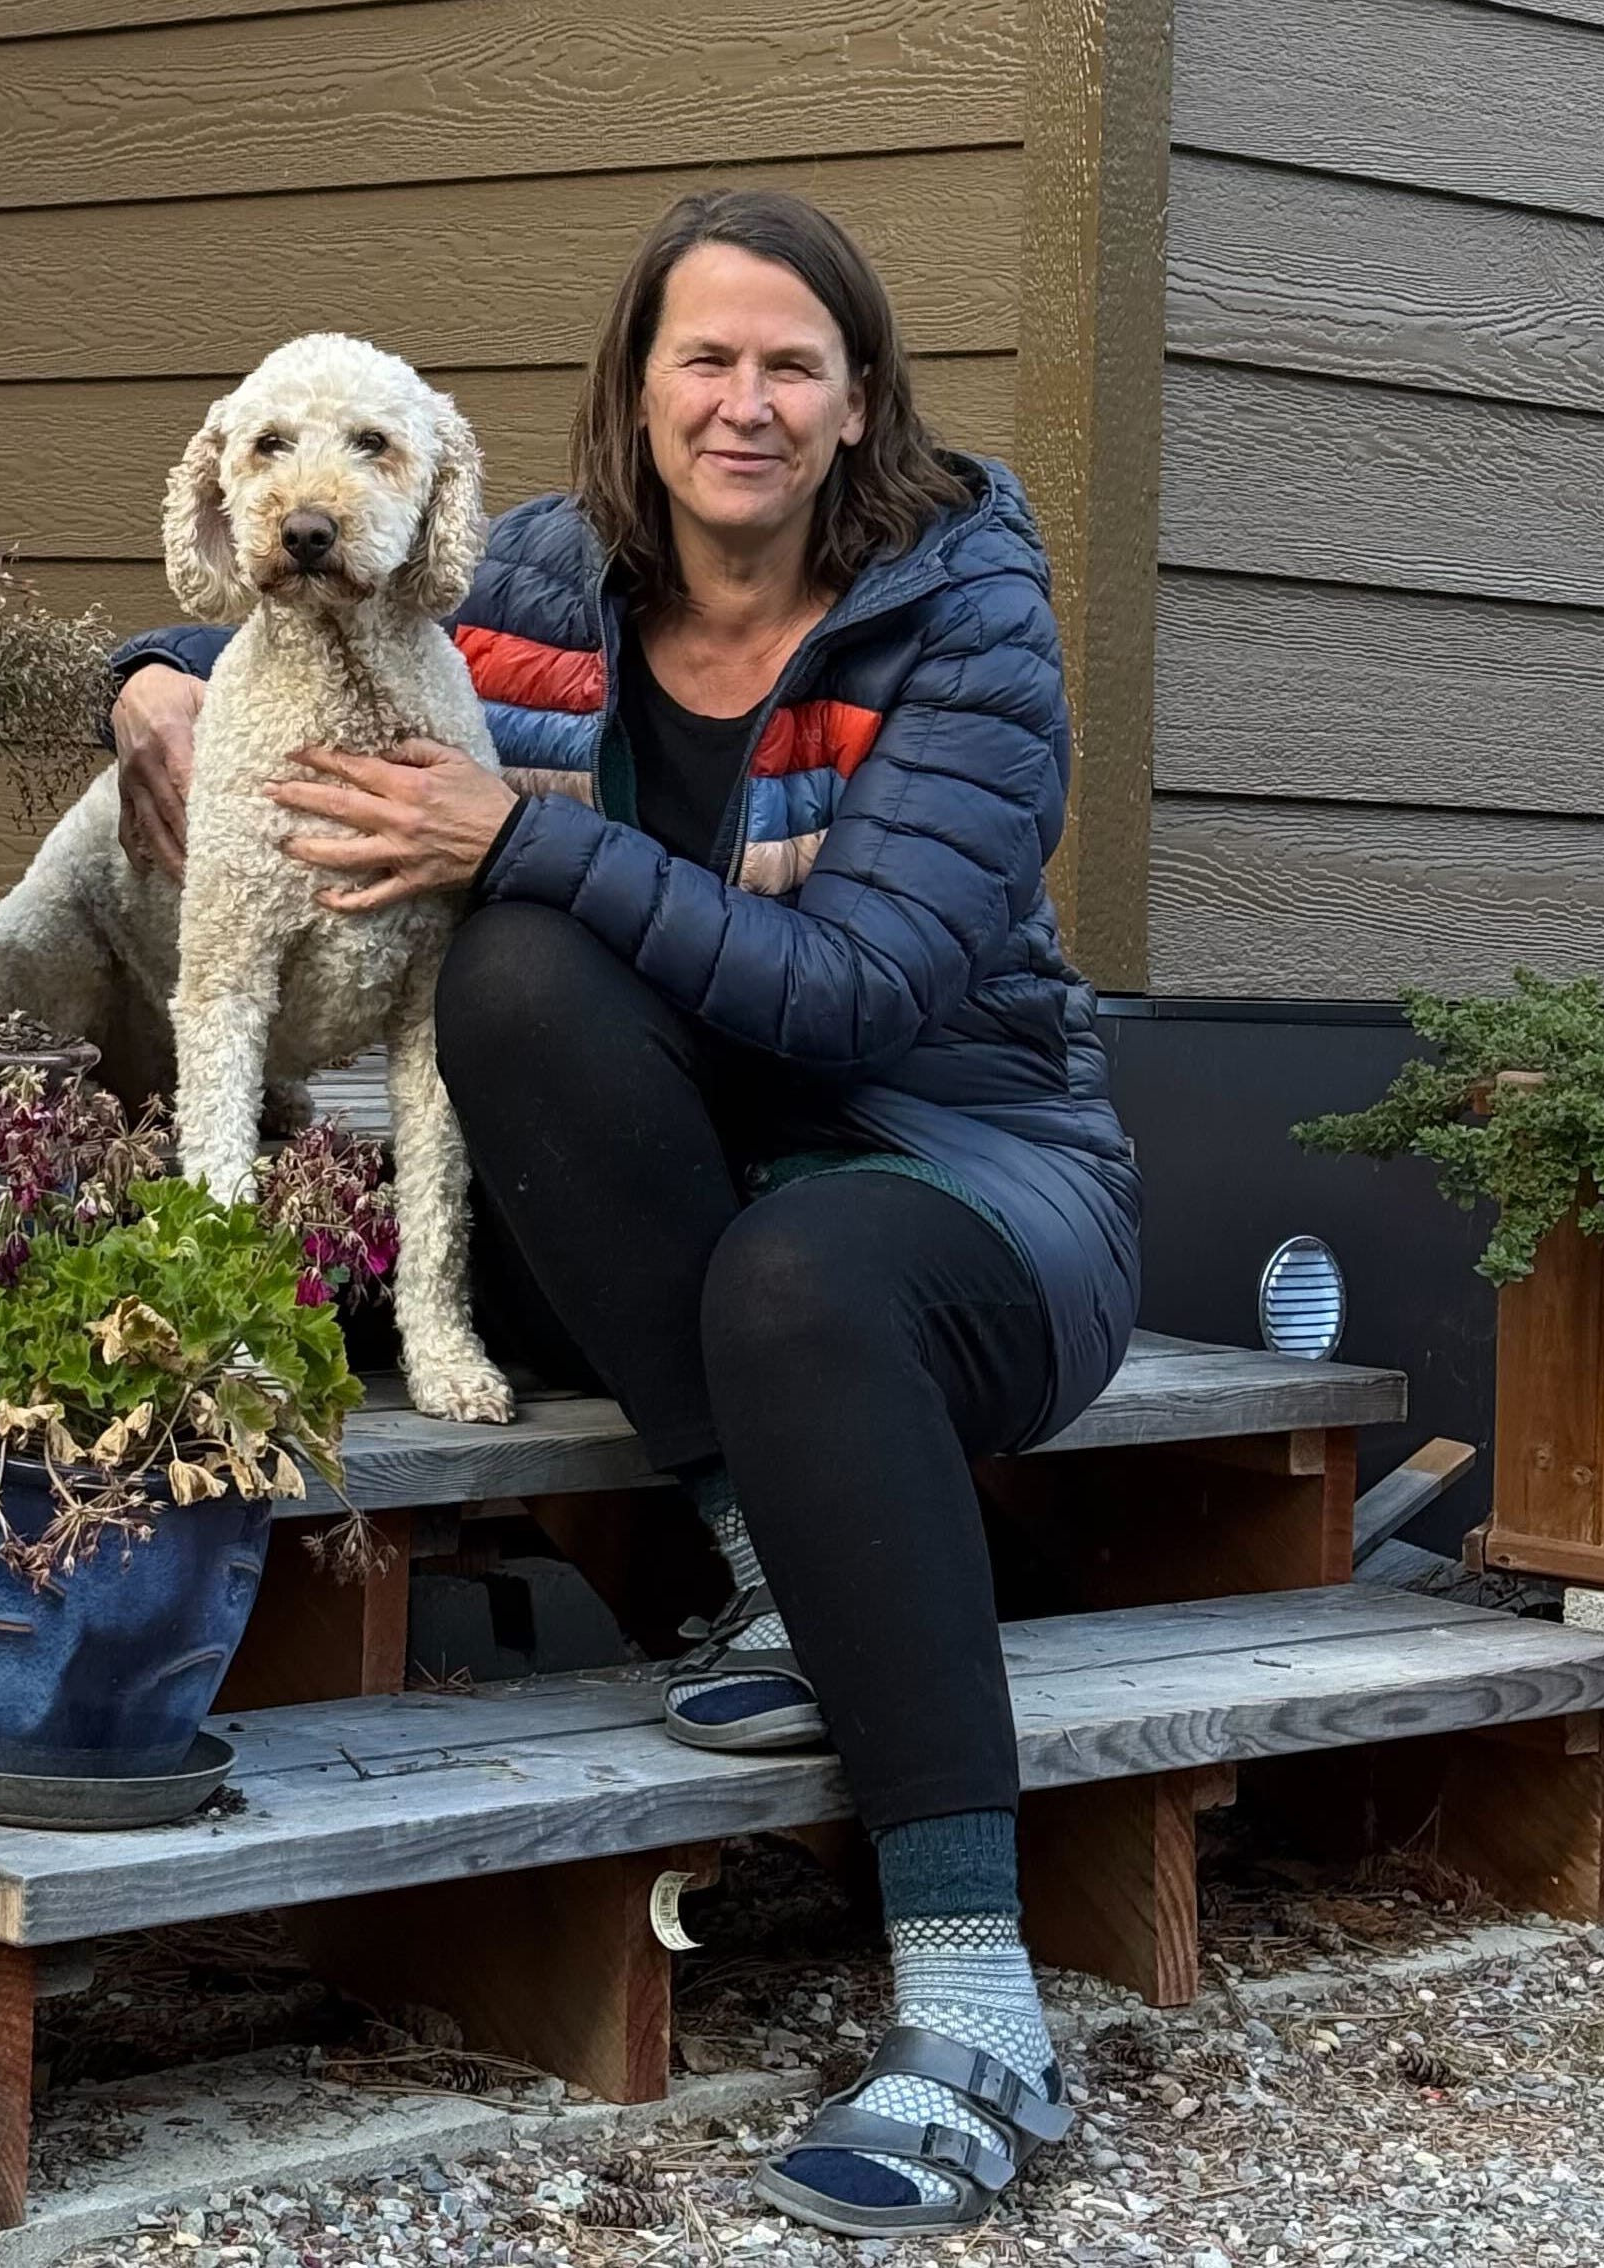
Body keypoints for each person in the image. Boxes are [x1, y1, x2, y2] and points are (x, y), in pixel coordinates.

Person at [106, 190, 1139, 2238]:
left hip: (964, 1179)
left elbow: (858, 989)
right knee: (508, 986)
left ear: (858, 407)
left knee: (787, 1248)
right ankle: (771, 1557)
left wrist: (515, 832)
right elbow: (323, 575)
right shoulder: (556, 581)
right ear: (640, 390)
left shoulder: (969, 620)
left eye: (789, 366)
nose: (741, 402)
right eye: (704, 360)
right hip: (673, 1205)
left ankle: (975, 1997)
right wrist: (154, 680)